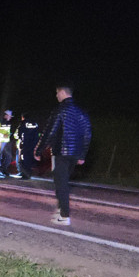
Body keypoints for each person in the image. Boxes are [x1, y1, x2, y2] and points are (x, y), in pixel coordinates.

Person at [34, 83, 92, 225]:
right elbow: (87, 134)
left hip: (61, 152)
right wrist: (82, 155)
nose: (56, 96)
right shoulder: (82, 113)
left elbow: (50, 131)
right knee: (63, 182)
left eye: (57, 93)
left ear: (62, 93)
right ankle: (60, 211)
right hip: (74, 154)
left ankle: (65, 215)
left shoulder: (60, 110)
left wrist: (39, 149)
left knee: (61, 183)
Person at [16, 113, 40, 179]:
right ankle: (29, 173)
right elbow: (37, 134)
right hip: (33, 144)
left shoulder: (23, 123)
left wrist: (20, 141)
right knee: (30, 159)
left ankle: (25, 174)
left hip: (26, 144)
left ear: (23, 117)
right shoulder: (35, 124)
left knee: (24, 158)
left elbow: (20, 133)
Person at [0, 110, 15, 177]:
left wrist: (10, 135)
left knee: (8, 157)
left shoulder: (9, 123)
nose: (10, 117)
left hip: (7, 142)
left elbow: (8, 132)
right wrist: (2, 135)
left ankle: (4, 169)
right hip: (0, 141)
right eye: (9, 116)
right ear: (6, 115)